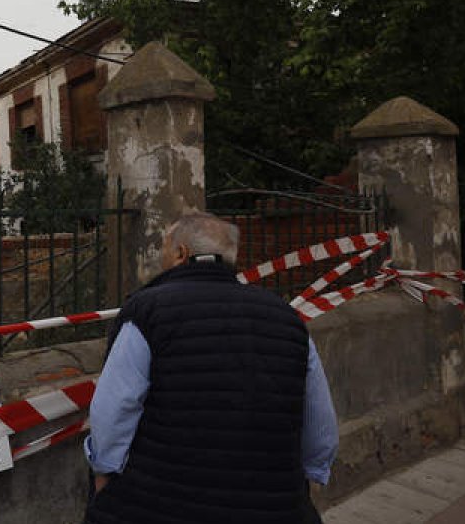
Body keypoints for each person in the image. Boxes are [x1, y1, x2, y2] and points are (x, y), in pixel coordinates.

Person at [84, 212, 337, 524]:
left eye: (164, 248)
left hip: (160, 503)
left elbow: (114, 407)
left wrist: (104, 472)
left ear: (180, 253)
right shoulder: (286, 318)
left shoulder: (148, 310)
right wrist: (311, 472)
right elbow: (318, 415)